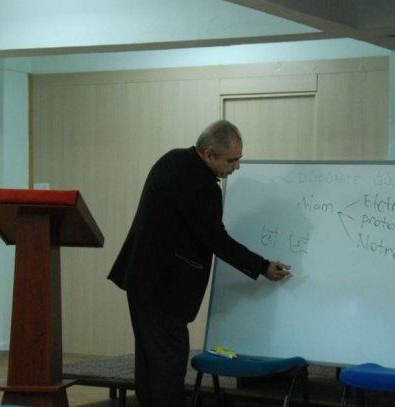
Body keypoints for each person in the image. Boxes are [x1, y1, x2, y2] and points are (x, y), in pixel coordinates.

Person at [107, 119, 291, 406]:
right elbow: (217, 241)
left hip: (139, 278)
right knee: (169, 363)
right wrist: (262, 266)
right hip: (165, 289)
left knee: (149, 358)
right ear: (208, 154)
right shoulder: (203, 187)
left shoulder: (172, 159)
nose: (237, 167)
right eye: (232, 160)